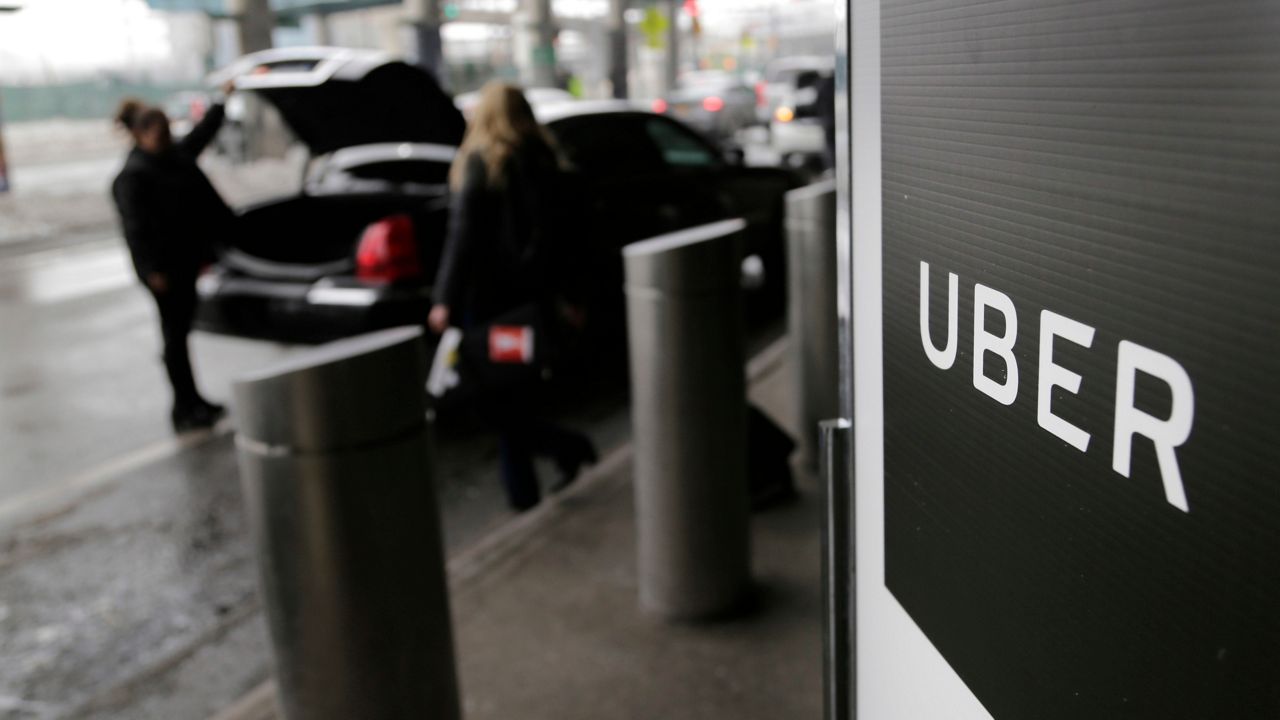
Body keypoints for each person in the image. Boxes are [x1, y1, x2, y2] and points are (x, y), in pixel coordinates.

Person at [429, 81, 597, 512]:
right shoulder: (547, 161)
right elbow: (567, 239)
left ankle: (539, 480)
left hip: (489, 306)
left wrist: (444, 299)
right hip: (531, 305)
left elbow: (462, 238)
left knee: (493, 403)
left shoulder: (481, 164)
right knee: (512, 396)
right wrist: (569, 297)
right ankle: (556, 459)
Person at [111, 84, 235, 432]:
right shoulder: (132, 177)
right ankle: (183, 406)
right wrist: (152, 271)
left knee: (180, 333)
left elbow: (203, 134)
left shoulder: (172, 157)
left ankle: (193, 401)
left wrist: (222, 101)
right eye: (158, 133)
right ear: (139, 134)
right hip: (163, 271)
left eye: (167, 132)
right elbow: (135, 232)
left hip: (185, 261)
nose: (165, 138)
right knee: (174, 337)